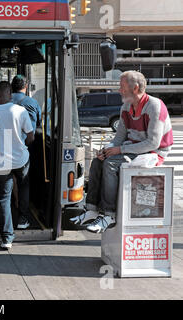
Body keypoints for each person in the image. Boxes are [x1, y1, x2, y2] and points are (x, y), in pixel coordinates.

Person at [70, 71, 174, 233]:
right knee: (99, 161)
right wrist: (107, 149)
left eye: (122, 87)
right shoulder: (126, 107)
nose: (119, 90)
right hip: (133, 148)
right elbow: (119, 137)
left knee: (111, 164)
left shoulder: (154, 106)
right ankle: (91, 209)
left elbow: (153, 143)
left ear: (136, 88)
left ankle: (109, 214)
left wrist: (119, 150)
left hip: (154, 152)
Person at [0, 81, 34, 249]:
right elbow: (30, 136)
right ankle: (23, 219)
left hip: (1, 161)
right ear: (10, 93)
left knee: (4, 198)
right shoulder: (20, 111)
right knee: (23, 187)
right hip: (21, 159)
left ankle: (7, 238)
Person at [10, 75, 42, 229]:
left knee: (6, 183)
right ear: (26, 86)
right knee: (24, 183)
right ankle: (23, 216)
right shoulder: (32, 102)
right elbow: (38, 125)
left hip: (5, 149)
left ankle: (6, 217)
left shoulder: (5, 101)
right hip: (24, 149)